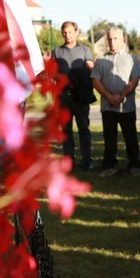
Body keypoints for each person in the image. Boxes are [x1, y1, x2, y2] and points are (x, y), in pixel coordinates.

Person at [91, 27, 140, 177]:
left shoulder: (131, 59)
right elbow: (96, 81)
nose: (112, 42)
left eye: (115, 39)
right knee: (109, 137)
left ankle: (134, 164)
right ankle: (109, 165)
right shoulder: (101, 60)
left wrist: (121, 95)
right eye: (109, 39)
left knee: (130, 137)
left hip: (126, 106)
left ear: (122, 40)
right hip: (107, 107)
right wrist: (109, 96)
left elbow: (134, 81)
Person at [50, 21, 95, 171]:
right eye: (64, 32)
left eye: (70, 32)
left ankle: (87, 159)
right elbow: (52, 72)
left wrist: (78, 77)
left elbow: (90, 68)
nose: (67, 35)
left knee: (84, 128)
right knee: (66, 130)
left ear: (76, 32)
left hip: (80, 95)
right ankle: (68, 159)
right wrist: (65, 80)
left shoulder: (84, 50)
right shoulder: (57, 51)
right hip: (63, 96)